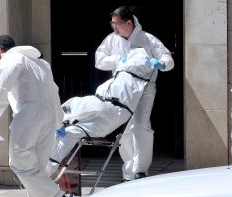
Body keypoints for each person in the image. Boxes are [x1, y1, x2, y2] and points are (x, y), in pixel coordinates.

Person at [0, 35, 66, 197]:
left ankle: (53, 196)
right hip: (48, 115)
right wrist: (59, 121)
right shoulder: (42, 64)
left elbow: (3, 86)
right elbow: (54, 92)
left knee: (19, 162)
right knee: (37, 165)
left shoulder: (11, 58)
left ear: (0, 50)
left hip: (28, 114)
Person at [45, 47, 154, 176]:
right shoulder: (126, 78)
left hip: (107, 108)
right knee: (68, 132)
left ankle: (46, 167)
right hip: (107, 112)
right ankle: (47, 167)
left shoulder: (132, 77)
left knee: (67, 120)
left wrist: (62, 121)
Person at [95, 6, 174, 182]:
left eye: (117, 24)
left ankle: (141, 170)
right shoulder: (111, 40)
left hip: (145, 89)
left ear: (129, 22)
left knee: (140, 126)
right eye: (112, 23)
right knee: (124, 130)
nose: (113, 27)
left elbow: (167, 59)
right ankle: (129, 172)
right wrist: (117, 60)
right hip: (122, 89)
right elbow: (99, 61)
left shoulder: (147, 39)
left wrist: (160, 64)